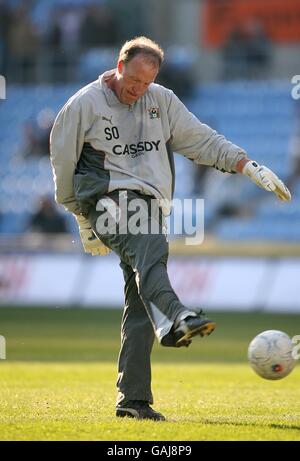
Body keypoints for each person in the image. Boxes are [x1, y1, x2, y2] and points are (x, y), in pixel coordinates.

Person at [50, 36, 291, 421]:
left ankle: (133, 400)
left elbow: (201, 140)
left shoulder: (160, 101)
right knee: (152, 250)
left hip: (148, 204)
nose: (138, 90)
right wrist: (81, 218)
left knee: (140, 298)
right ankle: (178, 316)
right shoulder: (83, 105)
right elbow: (62, 164)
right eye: (134, 81)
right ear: (119, 65)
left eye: (147, 83)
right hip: (106, 198)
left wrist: (248, 166)